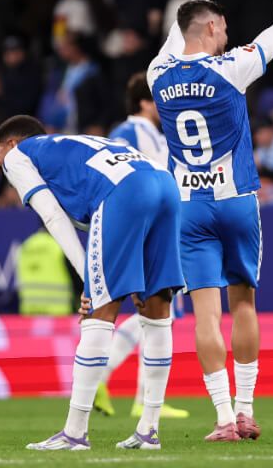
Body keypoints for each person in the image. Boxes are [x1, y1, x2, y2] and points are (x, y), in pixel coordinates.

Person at [147, 0, 273, 441]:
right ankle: (247, 408)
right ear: (212, 30)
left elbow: (178, 31)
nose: (227, 36)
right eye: (223, 28)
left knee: (205, 315)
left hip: (188, 209)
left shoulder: (158, 75)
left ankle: (221, 419)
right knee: (245, 305)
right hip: (236, 201)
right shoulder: (231, 67)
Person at [0, 115, 183, 451]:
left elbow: (51, 216)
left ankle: (75, 433)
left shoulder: (17, 156)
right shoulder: (68, 148)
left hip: (124, 191)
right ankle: (149, 430)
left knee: (99, 313)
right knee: (156, 311)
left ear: (11, 143)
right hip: (164, 183)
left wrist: (88, 277)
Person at [97, 73, 189, 421]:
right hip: (149, 229)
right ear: (144, 103)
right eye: (157, 100)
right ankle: (102, 377)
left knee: (157, 313)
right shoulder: (129, 132)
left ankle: (144, 398)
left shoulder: (152, 134)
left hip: (159, 225)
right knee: (157, 310)